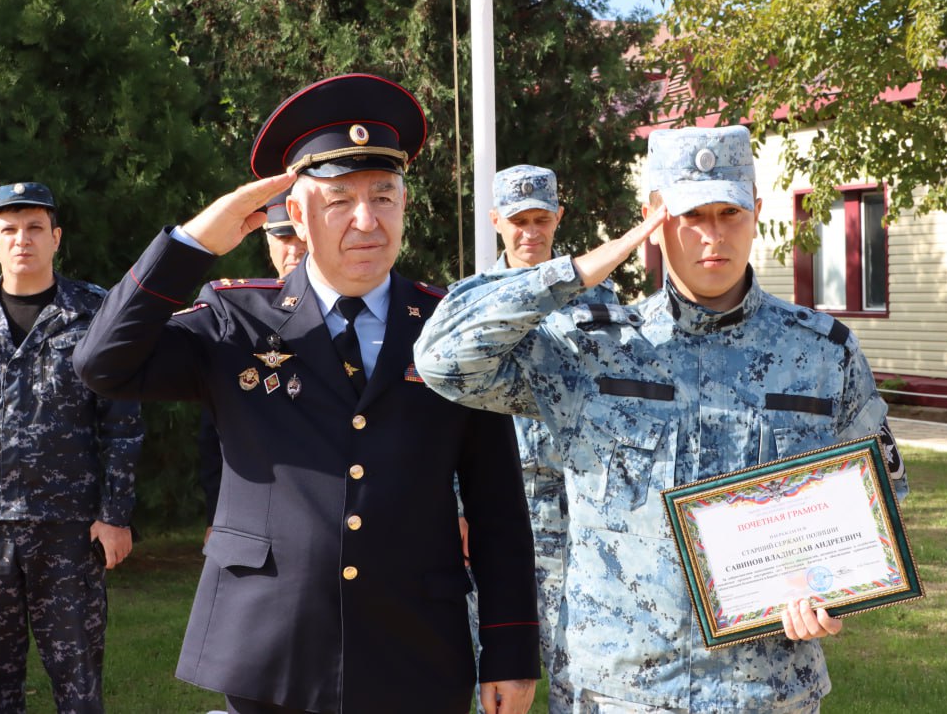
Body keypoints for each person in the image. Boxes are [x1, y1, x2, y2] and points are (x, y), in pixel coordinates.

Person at [73, 73, 540, 714]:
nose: (366, 221)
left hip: (416, 652)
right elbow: (102, 364)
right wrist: (192, 242)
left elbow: (497, 505)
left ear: (406, 205)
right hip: (271, 648)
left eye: (384, 196)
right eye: (339, 200)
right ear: (296, 213)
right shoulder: (239, 320)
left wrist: (511, 650)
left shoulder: (449, 328)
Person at [415, 126, 909, 713]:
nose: (713, 235)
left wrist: (830, 587)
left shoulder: (823, 353)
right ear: (653, 217)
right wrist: (576, 271)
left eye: (730, 211)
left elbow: (881, 491)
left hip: (765, 690)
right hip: (618, 690)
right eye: (690, 214)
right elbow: (444, 359)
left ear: (756, 209)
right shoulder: (591, 351)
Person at [0, 182, 144, 714]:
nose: (23, 240)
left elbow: (123, 422)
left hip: (68, 530)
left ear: (56, 238)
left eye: (35, 227)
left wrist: (116, 513)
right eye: (9, 230)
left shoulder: (93, 312)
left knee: (78, 685)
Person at [463, 165, 617, 712]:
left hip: (582, 517)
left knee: (587, 674)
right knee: (497, 682)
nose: (531, 232)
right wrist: (454, 506)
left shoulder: (602, 298)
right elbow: (450, 411)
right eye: (519, 221)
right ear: (497, 221)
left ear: (559, 218)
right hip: (500, 517)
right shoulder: (474, 303)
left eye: (542, 219)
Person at [199, 189, 305, 533]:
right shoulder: (242, 315)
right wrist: (217, 515)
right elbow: (215, 436)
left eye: (301, 235)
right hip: (260, 515)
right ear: (268, 240)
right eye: (283, 236)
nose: (295, 248)